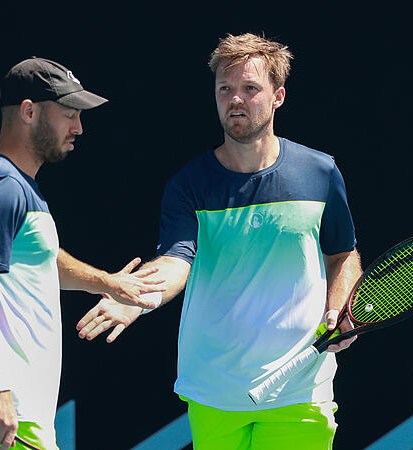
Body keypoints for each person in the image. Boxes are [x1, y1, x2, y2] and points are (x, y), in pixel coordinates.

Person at [77, 33, 363, 449]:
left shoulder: (320, 172)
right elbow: (176, 260)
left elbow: (342, 253)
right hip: (214, 391)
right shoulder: (188, 185)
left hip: (301, 389)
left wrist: (340, 307)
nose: (235, 100)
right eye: (225, 89)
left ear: (277, 96)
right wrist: (138, 295)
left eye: (250, 89)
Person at [0, 57, 164, 450]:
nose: (78, 127)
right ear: (28, 112)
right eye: (68, 115)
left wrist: (105, 283)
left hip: (12, 412)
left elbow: (40, 258)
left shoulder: (15, 187)